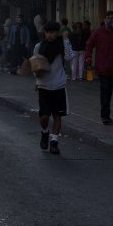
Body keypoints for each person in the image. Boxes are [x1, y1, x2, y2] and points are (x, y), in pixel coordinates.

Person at [33, 21, 73, 155]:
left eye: (53, 32)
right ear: (45, 33)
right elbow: (35, 64)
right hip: (44, 86)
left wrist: (66, 40)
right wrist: (36, 73)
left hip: (59, 85)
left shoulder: (61, 45)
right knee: (44, 117)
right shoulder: (39, 46)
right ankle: (44, 132)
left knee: (57, 115)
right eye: (48, 32)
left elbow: (69, 57)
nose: (50, 35)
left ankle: (54, 141)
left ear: (57, 33)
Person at [85, 10, 113, 125]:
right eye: (108, 17)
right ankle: (105, 116)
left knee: (109, 91)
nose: (110, 20)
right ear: (104, 19)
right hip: (102, 67)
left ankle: (106, 113)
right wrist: (88, 58)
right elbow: (89, 45)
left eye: (112, 18)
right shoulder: (98, 32)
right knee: (105, 91)